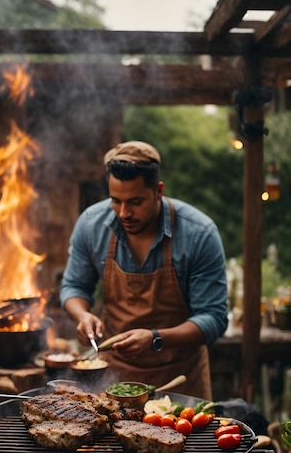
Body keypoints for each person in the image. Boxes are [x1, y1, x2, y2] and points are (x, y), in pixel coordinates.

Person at [59, 140, 228, 400]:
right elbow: (74, 287)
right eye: (116, 200)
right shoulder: (92, 225)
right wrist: (82, 315)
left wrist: (156, 338)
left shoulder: (199, 233)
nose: (124, 213)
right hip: (114, 381)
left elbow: (213, 318)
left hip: (180, 382)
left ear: (158, 191)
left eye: (136, 201)